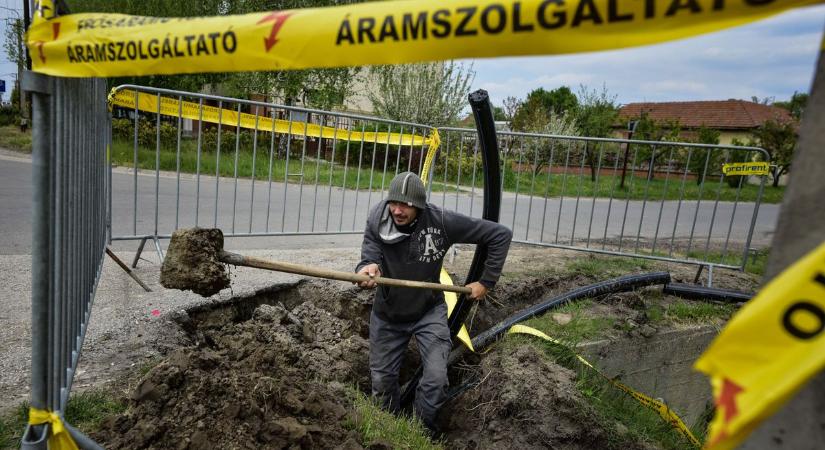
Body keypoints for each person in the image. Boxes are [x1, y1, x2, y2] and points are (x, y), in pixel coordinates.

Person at [355, 171, 512, 434]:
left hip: (429, 312)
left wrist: (485, 282)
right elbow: (370, 253)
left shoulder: (440, 221)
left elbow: (499, 235)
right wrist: (368, 268)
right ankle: (386, 432)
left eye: (406, 205)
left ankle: (420, 433)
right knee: (382, 382)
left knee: (436, 379)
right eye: (394, 202)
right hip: (388, 315)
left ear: (419, 205)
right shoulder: (378, 219)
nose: (397, 210)